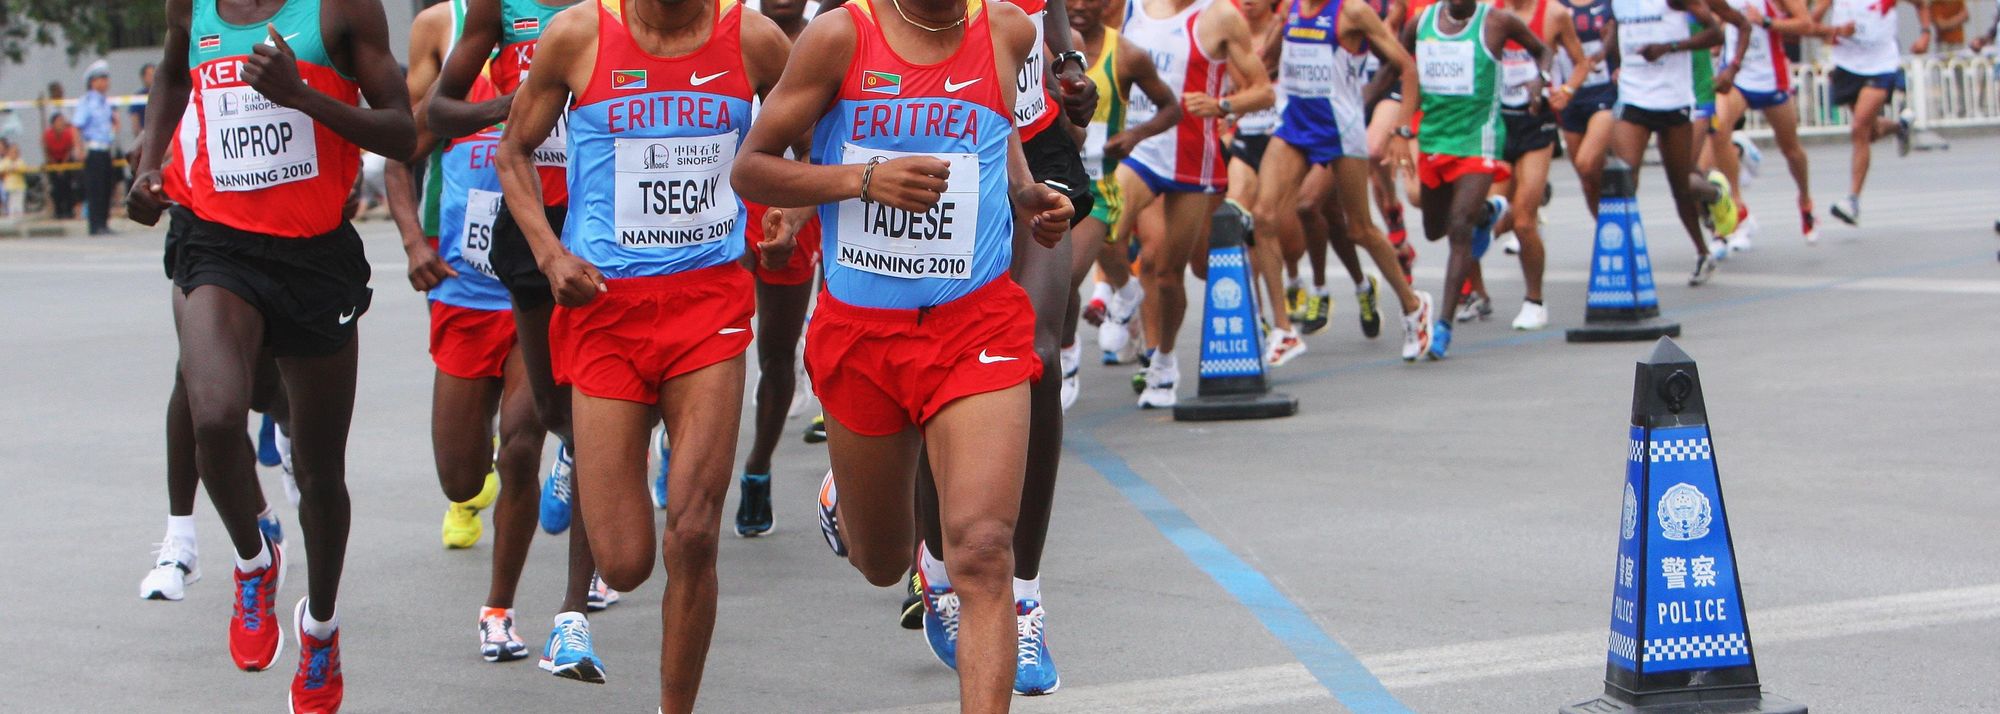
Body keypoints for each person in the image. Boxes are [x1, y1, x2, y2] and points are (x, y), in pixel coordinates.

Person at [734, 0, 1072, 706]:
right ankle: (849, 501)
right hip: (862, 333)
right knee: (882, 560)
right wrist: (861, 181)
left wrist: (1023, 194)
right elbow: (752, 169)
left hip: (974, 325)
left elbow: (998, 133)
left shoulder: (1008, 31)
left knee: (982, 552)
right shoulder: (839, 37)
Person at [498, 0, 790, 707]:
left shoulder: (750, 37)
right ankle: (609, 454)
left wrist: (795, 210)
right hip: (605, 311)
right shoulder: (577, 35)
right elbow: (513, 152)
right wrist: (550, 254)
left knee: (692, 533)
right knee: (625, 563)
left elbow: (821, 124)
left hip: (710, 307)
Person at [125, 0, 414, 711]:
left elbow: (404, 131)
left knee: (319, 475)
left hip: (315, 259)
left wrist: (301, 95)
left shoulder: (341, 10)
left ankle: (321, 630)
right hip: (215, 239)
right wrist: (148, 161)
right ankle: (254, 562)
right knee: (215, 417)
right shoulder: (191, 6)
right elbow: (170, 73)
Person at [428, 0, 619, 676]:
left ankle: (543, 613)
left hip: (608, 221)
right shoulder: (497, 8)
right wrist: (522, 101)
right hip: (530, 222)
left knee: (553, 431)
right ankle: (574, 443)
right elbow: (437, 113)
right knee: (498, 449)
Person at [1259, 0, 1437, 366]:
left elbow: (1406, 67)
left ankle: (1413, 305)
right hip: (1295, 125)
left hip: (1340, 130)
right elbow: (1268, 61)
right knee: (1262, 217)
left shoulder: (1352, 11)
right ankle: (1284, 330)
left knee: (1360, 229)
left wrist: (1401, 129)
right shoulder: (1291, 8)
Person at [1115, 0, 1273, 408]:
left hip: (1190, 159)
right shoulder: (1135, 7)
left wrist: (1224, 105)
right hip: (1139, 148)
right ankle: (1125, 295)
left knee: (1169, 272)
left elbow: (1262, 91)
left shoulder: (1219, 16)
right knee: (1107, 227)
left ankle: (1164, 360)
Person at [1386, 0, 1547, 358]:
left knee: (1459, 226)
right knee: (1433, 229)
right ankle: (1488, 213)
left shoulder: (1497, 22)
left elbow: (1542, 50)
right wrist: (1382, 114)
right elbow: (1395, 70)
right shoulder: (1420, 23)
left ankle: (1442, 326)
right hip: (1433, 139)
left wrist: (1541, 80)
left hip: (1479, 138)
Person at [734, 0, 822, 540]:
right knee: (698, 337)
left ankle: (758, 467)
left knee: (774, 352)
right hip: (721, 206)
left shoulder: (825, 38)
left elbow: (816, 150)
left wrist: (795, 213)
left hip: (793, 209)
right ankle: (674, 444)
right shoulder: (738, 34)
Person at [1065, 0, 1181, 388]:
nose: (1079, 6)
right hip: (1048, 182)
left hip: (1097, 188)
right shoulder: (1040, 46)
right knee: (1067, 274)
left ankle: (1066, 358)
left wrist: (1133, 135)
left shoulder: (1127, 55)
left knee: (1068, 276)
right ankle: (1126, 289)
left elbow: (1170, 109)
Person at [1458, 0, 1586, 330]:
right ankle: (1479, 294)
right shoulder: (1488, 12)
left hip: (1535, 125)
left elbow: (1581, 63)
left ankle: (1534, 301)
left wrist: (1566, 90)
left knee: (1524, 222)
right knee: (1472, 216)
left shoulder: (1554, 13)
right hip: (1497, 125)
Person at [1598, 0, 1742, 287]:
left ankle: (1703, 248)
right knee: (1624, 177)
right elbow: (1615, 31)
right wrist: (1607, 55)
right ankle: (1626, 259)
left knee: (1681, 185)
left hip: (1673, 100)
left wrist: (1669, 47)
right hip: (1633, 96)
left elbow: (1715, 34)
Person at [1708, 0, 1819, 250]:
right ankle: (1737, 208)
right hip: (1736, 75)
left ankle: (1805, 201)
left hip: (1770, 78)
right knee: (1718, 129)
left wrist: (1767, 22)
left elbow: (1805, 24)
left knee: (1791, 149)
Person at [1818, 0, 1927, 226]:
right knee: (1869, 133)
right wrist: (1833, 32)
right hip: (1846, 65)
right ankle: (1900, 127)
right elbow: (1811, 22)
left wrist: (1925, 34)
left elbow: (1921, 4)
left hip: (1881, 65)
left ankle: (1853, 201)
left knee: (1859, 128)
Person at [1555, 0, 1614, 217]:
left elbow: (1623, 35)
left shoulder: (1608, 4)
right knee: (1587, 179)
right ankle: (1606, 227)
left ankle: (1616, 192)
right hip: (1570, 96)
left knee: (1587, 164)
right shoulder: (1555, 5)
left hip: (1604, 92)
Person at [78, 61, 121, 235]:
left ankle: (104, 223)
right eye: (101, 79)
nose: (105, 82)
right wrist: (78, 148)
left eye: (106, 78)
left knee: (105, 187)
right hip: (93, 149)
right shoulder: (87, 101)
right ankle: (95, 225)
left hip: (105, 149)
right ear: (92, 82)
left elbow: (113, 123)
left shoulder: (106, 102)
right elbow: (77, 125)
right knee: (95, 188)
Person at [43, 112, 80, 220]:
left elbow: (69, 150)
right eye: (59, 121)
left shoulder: (67, 134)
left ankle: (69, 210)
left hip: (66, 160)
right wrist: (55, 167)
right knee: (55, 187)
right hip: (53, 161)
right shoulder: (48, 135)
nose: (61, 123)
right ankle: (58, 211)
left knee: (68, 185)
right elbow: (47, 151)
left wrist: (63, 166)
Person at [0, 140, 23, 217]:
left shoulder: (18, 161)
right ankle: (9, 213)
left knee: (17, 201)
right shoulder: (5, 161)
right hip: (7, 184)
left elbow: (22, 168)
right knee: (11, 201)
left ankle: (18, 215)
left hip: (17, 185)